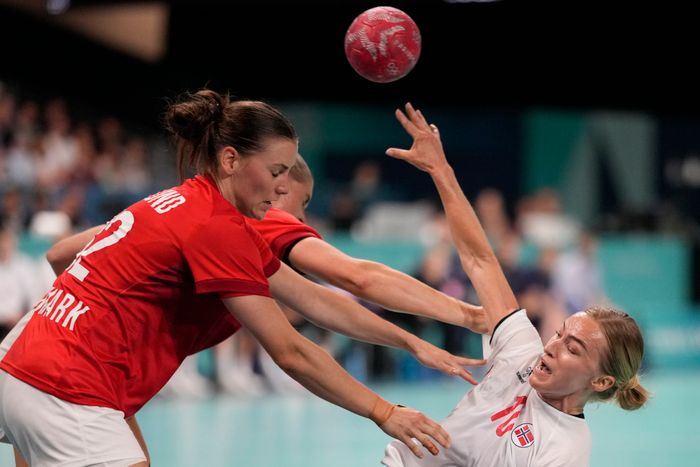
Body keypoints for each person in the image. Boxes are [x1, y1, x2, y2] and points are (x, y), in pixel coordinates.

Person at [0, 89, 472, 467]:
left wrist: (410, 342)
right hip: (67, 386)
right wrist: (384, 411)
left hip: (23, 359)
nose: (282, 188)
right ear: (229, 161)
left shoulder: (179, 202)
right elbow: (292, 350)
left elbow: (313, 299)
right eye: (276, 172)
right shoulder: (218, 227)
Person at [381, 103, 650, 467]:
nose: (551, 347)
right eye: (559, 334)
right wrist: (440, 170)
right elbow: (480, 260)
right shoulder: (521, 350)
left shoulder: (564, 451)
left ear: (601, 381)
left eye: (573, 349)